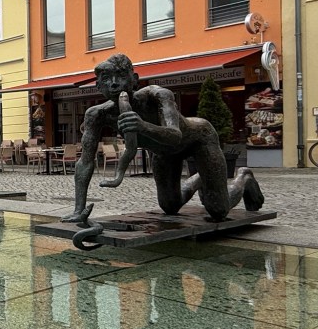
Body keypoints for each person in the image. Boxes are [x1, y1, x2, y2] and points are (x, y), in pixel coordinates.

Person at [62, 53, 264, 223]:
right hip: (164, 153)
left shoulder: (158, 95)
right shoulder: (96, 114)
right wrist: (78, 210)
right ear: (98, 85)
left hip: (198, 140)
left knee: (218, 211)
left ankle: (244, 178)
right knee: (170, 206)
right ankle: (201, 178)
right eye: (106, 78)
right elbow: (85, 162)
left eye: (121, 76)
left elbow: (175, 135)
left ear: (134, 79)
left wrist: (142, 126)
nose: (114, 84)